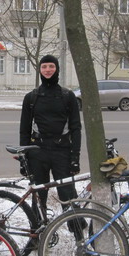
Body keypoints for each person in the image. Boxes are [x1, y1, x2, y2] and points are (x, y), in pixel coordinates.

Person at [19, 54, 81, 212]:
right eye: (44, 66)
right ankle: (38, 226)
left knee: (68, 196)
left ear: (57, 69)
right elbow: (24, 130)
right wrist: (23, 158)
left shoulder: (68, 96)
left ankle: (76, 226)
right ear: (40, 70)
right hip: (37, 152)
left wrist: (75, 157)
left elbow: (76, 128)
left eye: (51, 66)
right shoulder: (31, 98)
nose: (48, 70)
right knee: (39, 197)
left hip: (62, 152)